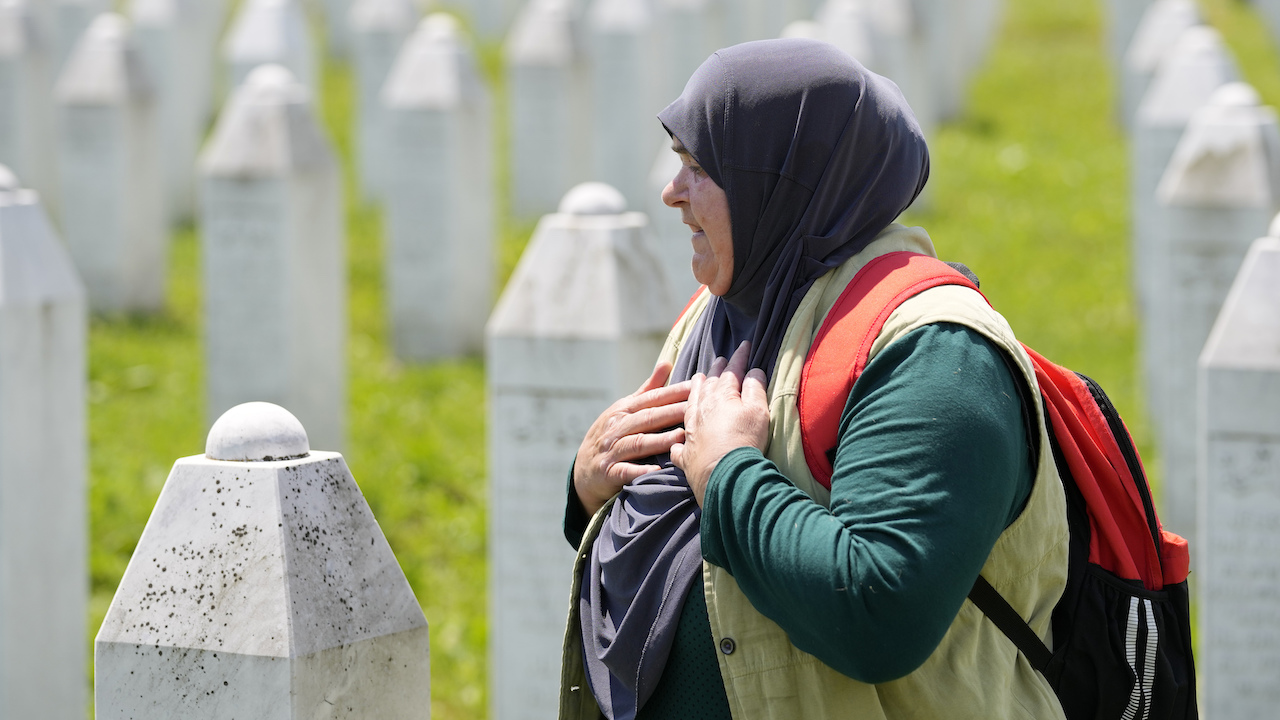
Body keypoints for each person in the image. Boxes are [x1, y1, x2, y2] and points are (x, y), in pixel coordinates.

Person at [559, 38, 1070, 720]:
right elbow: (667, 527)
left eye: (701, 167)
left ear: (782, 180)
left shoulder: (938, 358)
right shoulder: (724, 312)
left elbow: (876, 616)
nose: (670, 192)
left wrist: (730, 474)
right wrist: (592, 488)